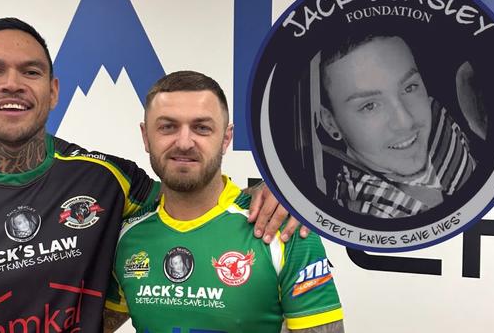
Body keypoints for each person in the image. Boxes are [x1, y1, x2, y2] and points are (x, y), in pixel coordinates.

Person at [0, 18, 300, 332]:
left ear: (53, 91)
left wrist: (274, 192)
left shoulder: (107, 179)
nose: (12, 84)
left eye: (31, 71)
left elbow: (191, 194)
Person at [104, 71, 344, 332]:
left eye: (202, 128)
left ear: (226, 138)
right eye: (167, 127)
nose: (184, 143)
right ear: (146, 136)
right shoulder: (125, 237)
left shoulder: (281, 228)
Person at [318, 34, 477, 218]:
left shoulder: (437, 114)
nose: (406, 122)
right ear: (331, 123)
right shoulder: (365, 213)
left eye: (409, 88)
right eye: (369, 106)